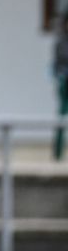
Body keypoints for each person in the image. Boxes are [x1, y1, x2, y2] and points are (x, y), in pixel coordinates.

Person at [53, 9, 68, 160]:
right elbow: (57, 64)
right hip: (65, 81)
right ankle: (58, 152)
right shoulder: (61, 42)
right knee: (62, 116)